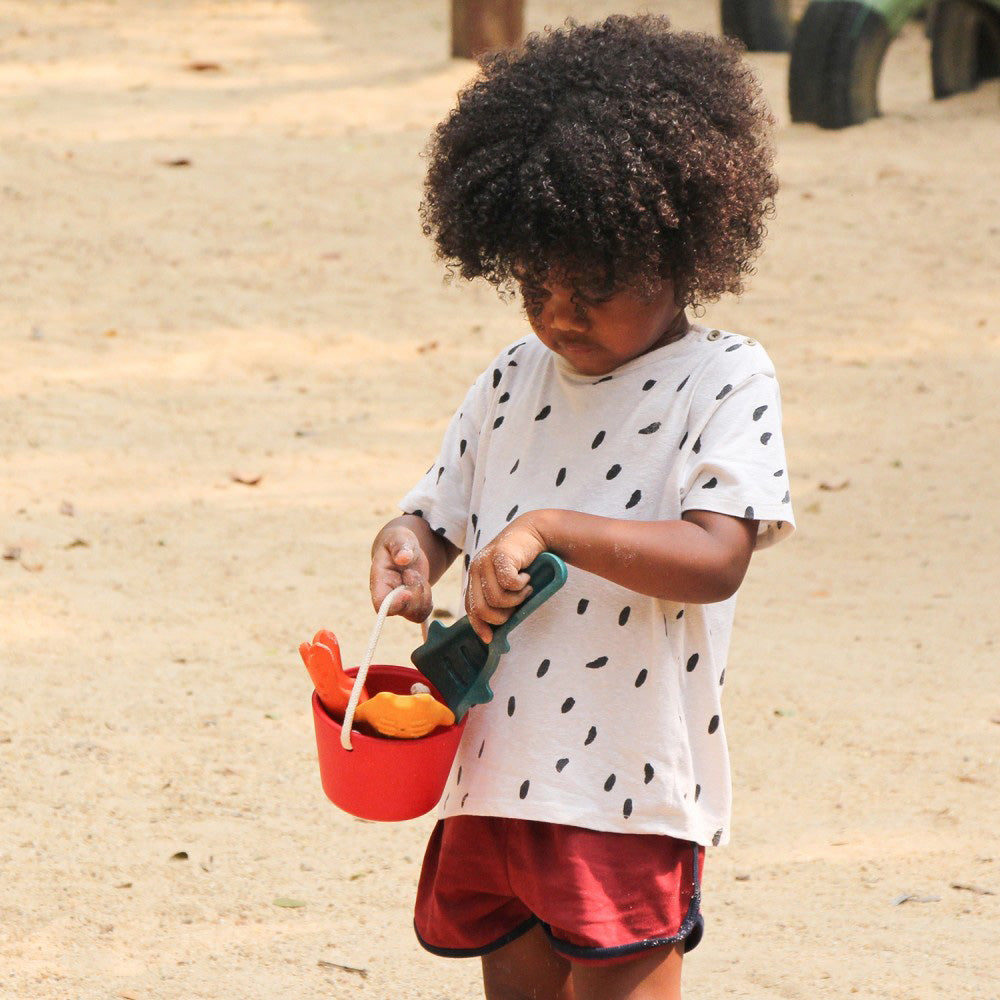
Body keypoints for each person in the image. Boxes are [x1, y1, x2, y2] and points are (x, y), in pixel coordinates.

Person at [368, 15, 794, 999]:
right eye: (533, 282)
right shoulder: (512, 377)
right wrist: (407, 549)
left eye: (594, 286)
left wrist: (550, 527)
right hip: (494, 770)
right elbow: (439, 514)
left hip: (626, 785)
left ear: (680, 247)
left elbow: (716, 557)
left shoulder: (725, 378)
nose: (559, 313)